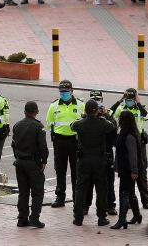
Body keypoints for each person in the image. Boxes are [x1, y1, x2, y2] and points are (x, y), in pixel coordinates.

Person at [71, 99, 116, 227]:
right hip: (99, 160)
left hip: (84, 159)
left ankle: (78, 218)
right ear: (97, 111)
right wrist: (106, 114)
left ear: (85, 111)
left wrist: (84, 117)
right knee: (101, 189)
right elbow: (113, 126)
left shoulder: (80, 124)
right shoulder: (102, 123)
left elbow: (72, 126)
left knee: (80, 188)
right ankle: (101, 217)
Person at [110, 88, 148, 209]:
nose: (128, 101)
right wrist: (120, 101)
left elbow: (147, 116)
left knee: (141, 171)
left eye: (130, 99)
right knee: (126, 171)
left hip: (139, 142)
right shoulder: (121, 108)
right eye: (126, 99)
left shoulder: (140, 108)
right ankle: (128, 201)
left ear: (135, 99)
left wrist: (138, 103)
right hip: (125, 141)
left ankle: (146, 201)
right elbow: (110, 113)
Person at [46, 80, 84, 208]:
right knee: (60, 170)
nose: (63, 94)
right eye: (61, 92)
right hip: (60, 141)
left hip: (75, 141)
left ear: (72, 91)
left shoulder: (80, 105)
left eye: (66, 92)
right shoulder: (54, 106)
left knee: (76, 171)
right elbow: (49, 123)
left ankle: (76, 197)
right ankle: (60, 197)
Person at [12, 101, 49, 228]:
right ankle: (34, 217)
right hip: (32, 163)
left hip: (20, 162)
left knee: (23, 192)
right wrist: (44, 161)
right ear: (36, 112)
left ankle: (22, 218)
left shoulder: (17, 125)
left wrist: (17, 157)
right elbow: (43, 147)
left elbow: (13, 145)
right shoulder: (38, 127)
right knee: (37, 192)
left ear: (24, 112)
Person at [83, 90, 118, 216]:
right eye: (94, 100)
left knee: (108, 182)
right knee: (88, 183)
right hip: (90, 154)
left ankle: (110, 205)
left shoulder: (107, 117)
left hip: (106, 154)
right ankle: (85, 206)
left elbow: (114, 127)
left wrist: (107, 114)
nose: (97, 104)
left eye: (99, 100)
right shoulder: (85, 116)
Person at [110, 111, 142, 230]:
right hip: (126, 169)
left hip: (128, 170)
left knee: (124, 193)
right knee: (131, 192)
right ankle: (137, 215)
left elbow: (133, 155)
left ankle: (122, 219)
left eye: (120, 119)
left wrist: (134, 171)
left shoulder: (129, 136)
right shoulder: (126, 133)